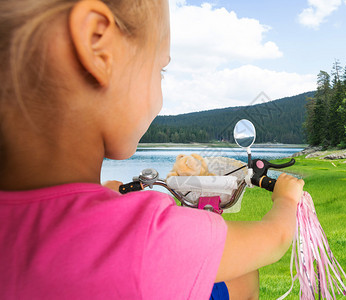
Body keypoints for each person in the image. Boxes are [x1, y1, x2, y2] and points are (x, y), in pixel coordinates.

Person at [0, 0, 305, 299]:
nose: (160, 97)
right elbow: (275, 239)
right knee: (242, 277)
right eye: (160, 70)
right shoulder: (145, 237)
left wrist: (100, 197)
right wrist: (286, 200)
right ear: (98, 45)